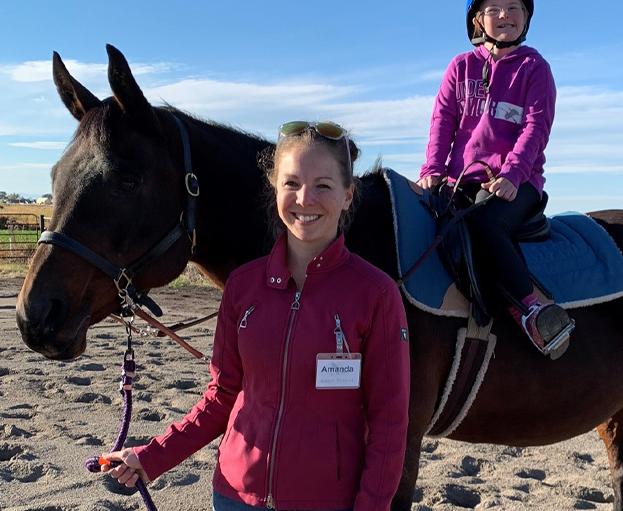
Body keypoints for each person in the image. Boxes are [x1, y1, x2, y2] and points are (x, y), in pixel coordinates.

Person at [102, 121, 412, 511]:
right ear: (274, 188)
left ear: (348, 195)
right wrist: (151, 457)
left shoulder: (377, 294)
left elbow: (389, 424)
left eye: (323, 185)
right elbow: (221, 398)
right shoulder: (243, 287)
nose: (305, 198)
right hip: (234, 496)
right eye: (292, 183)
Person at [417, 0, 572, 357]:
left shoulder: (535, 69)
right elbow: (443, 122)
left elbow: (536, 129)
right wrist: (432, 170)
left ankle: (532, 311)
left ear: (526, 17)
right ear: (477, 21)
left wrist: (512, 175)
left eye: (515, 7)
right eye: (495, 8)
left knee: (485, 225)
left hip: (516, 183)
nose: (506, 15)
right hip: (460, 182)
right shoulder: (459, 68)